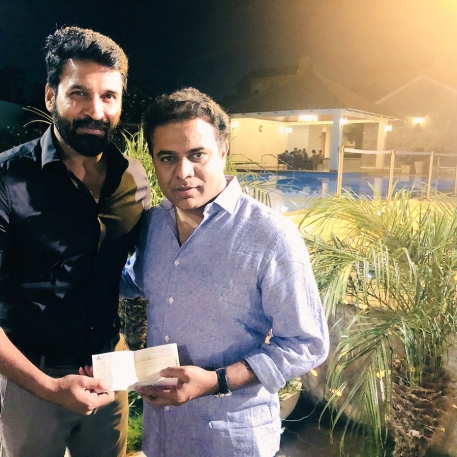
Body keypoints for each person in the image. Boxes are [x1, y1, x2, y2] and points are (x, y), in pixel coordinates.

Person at [0, 27, 150, 457]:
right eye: (79, 94)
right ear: (51, 95)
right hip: (32, 383)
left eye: (109, 96)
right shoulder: (0, 181)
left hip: (108, 372)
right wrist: (47, 386)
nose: (96, 110)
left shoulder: (134, 178)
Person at [121, 88, 329, 457]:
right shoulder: (152, 226)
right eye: (167, 158)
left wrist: (215, 380)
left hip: (231, 438)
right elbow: (134, 281)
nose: (183, 172)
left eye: (196, 155)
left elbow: (306, 343)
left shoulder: (270, 236)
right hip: (163, 435)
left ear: (223, 150)